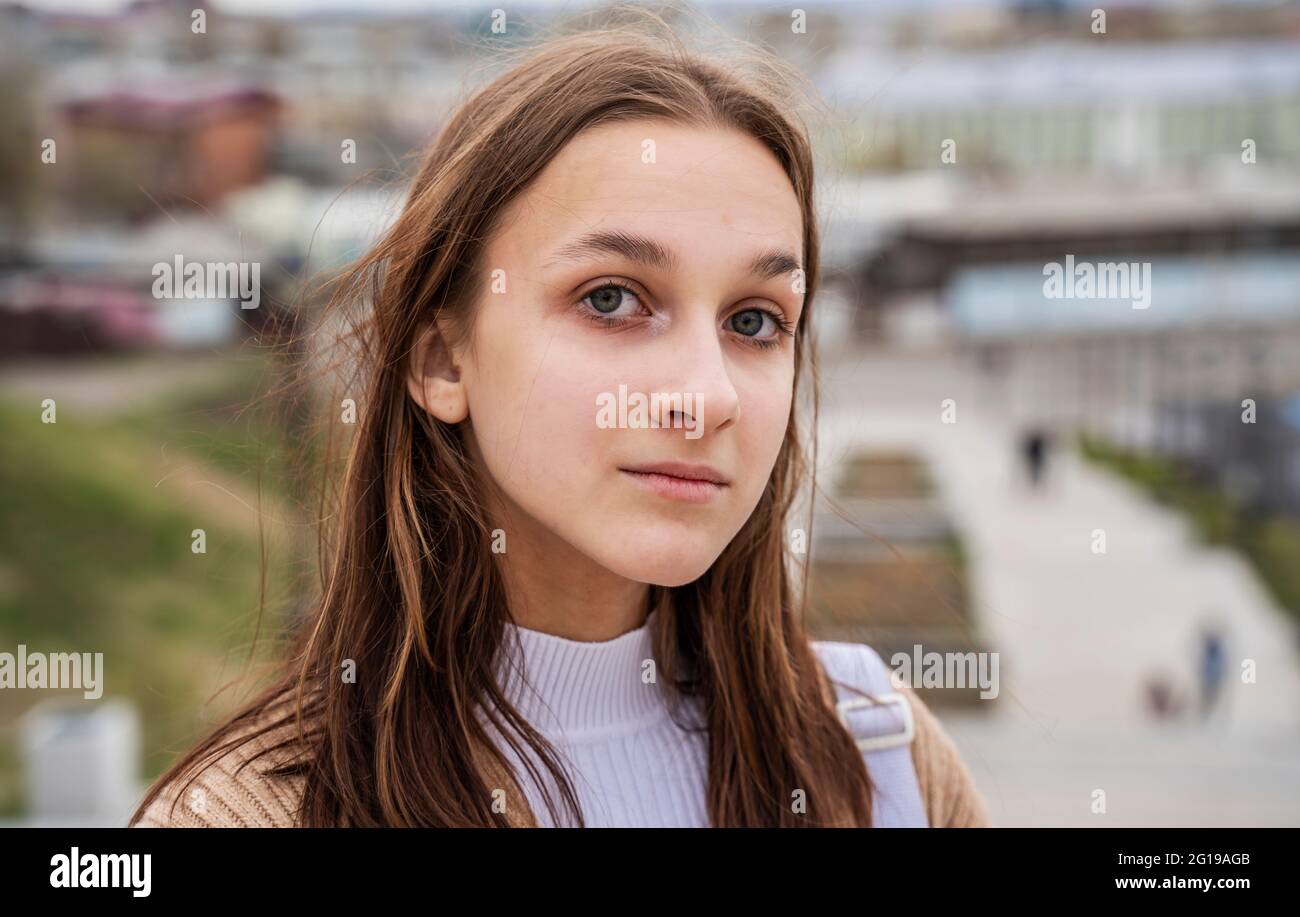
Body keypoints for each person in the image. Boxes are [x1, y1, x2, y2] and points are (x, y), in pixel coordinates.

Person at [130, 15, 989, 828]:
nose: (709, 394)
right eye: (611, 299)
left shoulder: (877, 759)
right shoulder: (254, 813)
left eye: (755, 320)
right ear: (441, 360)